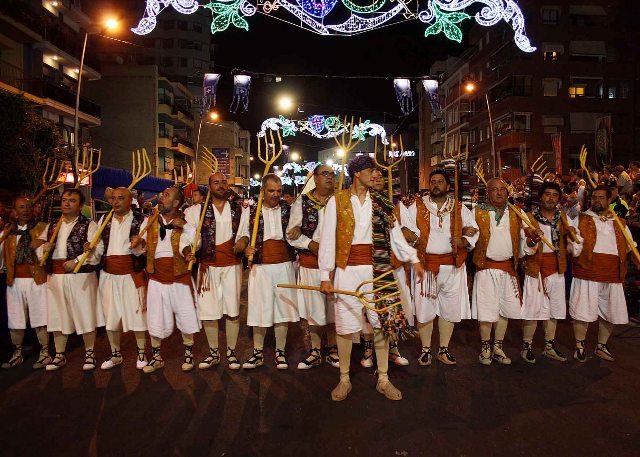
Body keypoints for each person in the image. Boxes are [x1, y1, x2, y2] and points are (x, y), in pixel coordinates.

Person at [319, 155, 426, 401]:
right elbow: (328, 239)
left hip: (377, 269)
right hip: (347, 272)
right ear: (357, 173)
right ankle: (344, 379)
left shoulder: (381, 202)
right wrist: (326, 275)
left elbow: (396, 236)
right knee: (345, 326)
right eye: (370, 171)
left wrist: (413, 259)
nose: (375, 175)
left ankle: (384, 378)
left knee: (381, 324)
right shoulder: (338, 201)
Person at [399, 170, 478, 366]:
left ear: (448, 186)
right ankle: (426, 349)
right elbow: (404, 227)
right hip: (426, 266)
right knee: (425, 309)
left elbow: (473, 229)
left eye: (440, 182)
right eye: (433, 181)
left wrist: (465, 240)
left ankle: (444, 349)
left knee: (449, 309)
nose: (436, 185)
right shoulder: (416, 206)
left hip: (453, 266)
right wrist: (409, 234)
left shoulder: (460, 208)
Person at [183, 173, 247, 370]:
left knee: (232, 310)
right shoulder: (196, 211)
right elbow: (188, 236)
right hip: (209, 267)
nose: (220, 186)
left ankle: (231, 352)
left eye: (223, 182)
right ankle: (213, 353)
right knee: (209, 312)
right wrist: (188, 251)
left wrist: (243, 241)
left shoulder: (239, 209)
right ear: (209, 186)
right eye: (216, 182)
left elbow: (245, 231)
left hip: (232, 265)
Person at [134, 187, 201, 373]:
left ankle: (189, 354)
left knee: (186, 314)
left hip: (179, 275)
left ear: (176, 203)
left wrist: (188, 253)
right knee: (155, 316)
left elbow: (190, 242)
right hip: (156, 276)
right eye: (162, 195)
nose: (161, 198)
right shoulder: (149, 222)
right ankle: (156, 357)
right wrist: (137, 245)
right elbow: (141, 249)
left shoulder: (186, 222)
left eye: (166, 196)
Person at [38, 189, 104, 371]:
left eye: (72, 200)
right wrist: (44, 248)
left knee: (85, 313)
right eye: (64, 200)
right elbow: (38, 252)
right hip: (55, 276)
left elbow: (96, 251)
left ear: (81, 205)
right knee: (57, 314)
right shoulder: (51, 226)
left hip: (80, 276)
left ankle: (90, 353)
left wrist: (75, 261)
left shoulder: (89, 225)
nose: (66, 203)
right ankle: (59, 354)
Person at [238, 174, 299, 369]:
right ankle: (257, 353)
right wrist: (245, 247)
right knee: (259, 307)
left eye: (279, 191)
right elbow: (242, 235)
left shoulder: (290, 210)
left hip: (284, 264)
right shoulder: (251, 211)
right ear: (262, 190)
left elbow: (298, 232)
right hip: (261, 266)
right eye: (271, 190)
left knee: (283, 309)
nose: (275, 194)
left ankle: (280, 353)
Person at [569, 186, 635, 362]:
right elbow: (573, 244)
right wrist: (574, 244)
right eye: (594, 197)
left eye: (601, 197)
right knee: (582, 311)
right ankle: (580, 346)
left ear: (609, 200)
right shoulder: (581, 219)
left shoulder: (620, 222)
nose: (597, 200)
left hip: (612, 273)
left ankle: (601, 346)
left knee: (610, 311)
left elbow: (629, 245)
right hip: (587, 271)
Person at [285, 164, 339, 369]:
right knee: (314, 311)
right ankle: (315, 351)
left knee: (333, 309)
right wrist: (310, 244)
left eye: (332, 175)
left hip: (335, 264)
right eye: (325, 174)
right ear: (314, 178)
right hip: (310, 263)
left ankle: (333, 349)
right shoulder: (302, 202)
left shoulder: (340, 200)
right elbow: (291, 234)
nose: (330, 178)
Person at [521, 182, 579, 363]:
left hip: (557, 269)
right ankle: (527, 346)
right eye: (547, 194)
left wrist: (572, 241)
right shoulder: (529, 218)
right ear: (541, 197)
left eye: (555, 195)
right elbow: (524, 246)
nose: (551, 198)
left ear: (558, 199)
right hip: (535, 269)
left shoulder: (563, 218)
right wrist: (532, 241)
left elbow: (574, 247)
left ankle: (549, 346)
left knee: (554, 310)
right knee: (532, 309)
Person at [472, 177, 523, 366]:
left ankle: (498, 347)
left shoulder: (517, 213)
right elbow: (469, 237)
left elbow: (525, 242)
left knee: (504, 310)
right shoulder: (478, 212)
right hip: (486, 268)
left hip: (508, 268)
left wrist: (533, 240)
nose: (499, 192)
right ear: (488, 193)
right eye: (494, 189)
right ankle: (485, 347)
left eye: (502, 189)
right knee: (486, 310)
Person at [96, 188, 148, 370]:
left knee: (138, 315)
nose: (116, 201)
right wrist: (91, 249)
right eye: (113, 198)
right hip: (109, 275)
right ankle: (115, 354)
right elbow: (100, 248)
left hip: (131, 273)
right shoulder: (104, 220)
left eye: (121, 198)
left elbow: (145, 249)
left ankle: (141, 353)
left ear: (130, 200)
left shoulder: (142, 220)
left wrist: (139, 245)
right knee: (111, 315)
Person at [0, 197, 49, 369]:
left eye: (28, 206)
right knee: (15, 319)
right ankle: (17, 353)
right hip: (14, 282)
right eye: (21, 207)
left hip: (37, 280)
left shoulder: (43, 228)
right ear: (14, 210)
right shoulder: (8, 231)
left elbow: (47, 252)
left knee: (40, 316)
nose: (26, 210)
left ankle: (45, 352)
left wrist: (43, 243)